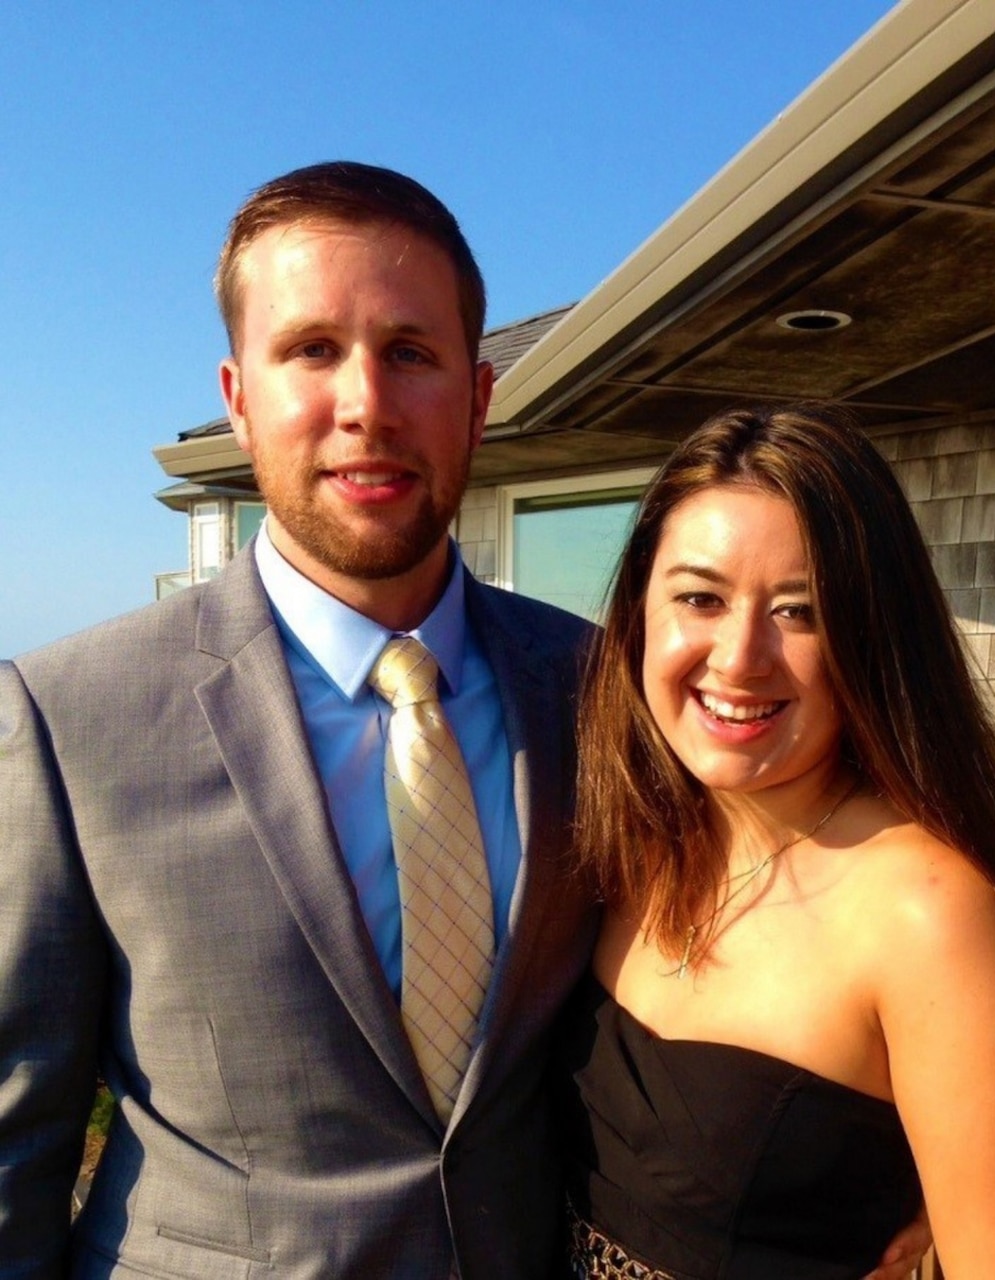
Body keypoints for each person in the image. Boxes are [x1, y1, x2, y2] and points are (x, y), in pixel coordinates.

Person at [0, 166, 927, 1279]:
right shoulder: (68, 719)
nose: (365, 406)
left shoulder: (603, 693)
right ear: (238, 392)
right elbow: (17, 1147)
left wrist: (912, 1179)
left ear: (477, 396)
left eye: (410, 352)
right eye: (309, 350)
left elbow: (795, 922)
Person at [556, 404, 995, 1278]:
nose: (740, 656)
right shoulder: (624, 836)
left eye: (800, 612)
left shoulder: (929, 918)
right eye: (700, 598)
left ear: (872, 638)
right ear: (638, 612)